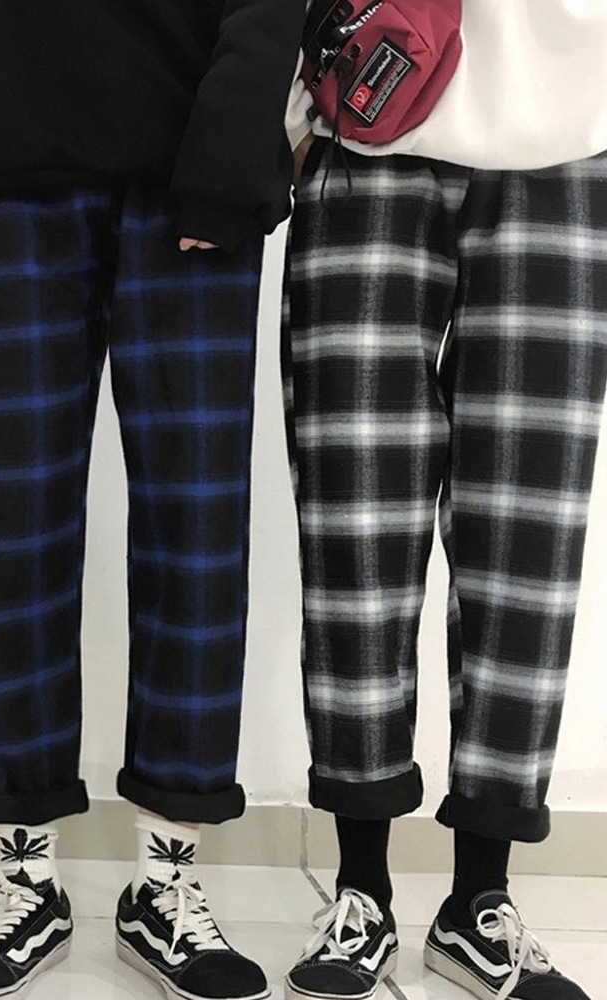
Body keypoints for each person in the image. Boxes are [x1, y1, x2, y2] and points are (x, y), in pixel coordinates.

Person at [0, 1, 305, 998]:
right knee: (16, 533)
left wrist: (229, 160)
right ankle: (23, 875)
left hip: (192, 173)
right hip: (14, 176)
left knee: (195, 528)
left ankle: (166, 879)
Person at [280, 2, 607, 998]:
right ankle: (361, 889)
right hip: (368, 129)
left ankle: (479, 899)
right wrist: (287, 112)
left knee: (526, 538)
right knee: (353, 527)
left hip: (568, 140)